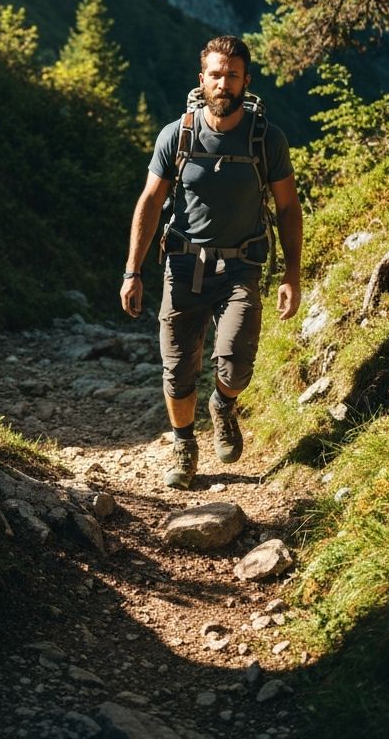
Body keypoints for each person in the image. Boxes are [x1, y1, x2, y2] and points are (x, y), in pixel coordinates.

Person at [119, 36, 302, 489]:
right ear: (201, 80)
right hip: (183, 267)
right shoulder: (176, 135)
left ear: (246, 81)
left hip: (242, 267)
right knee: (178, 370)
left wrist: (292, 273)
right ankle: (184, 444)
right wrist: (132, 271)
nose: (224, 84)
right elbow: (149, 201)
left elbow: (287, 207)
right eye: (216, 75)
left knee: (236, 362)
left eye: (232, 75)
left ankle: (222, 405)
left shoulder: (266, 139)